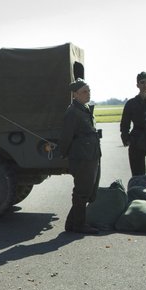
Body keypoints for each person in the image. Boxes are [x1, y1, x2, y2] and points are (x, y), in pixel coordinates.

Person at [59, 78, 101, 234]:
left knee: (87, 190)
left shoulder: (83, 109)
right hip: (82, 157)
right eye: (84, 91)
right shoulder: (73, 112)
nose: (88, 94)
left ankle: (72, 224)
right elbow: (66, 136)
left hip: (90, 155)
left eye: (89, 90)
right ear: (75, 94)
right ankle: (79, 225)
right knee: (82, 191)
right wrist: (64, 154)